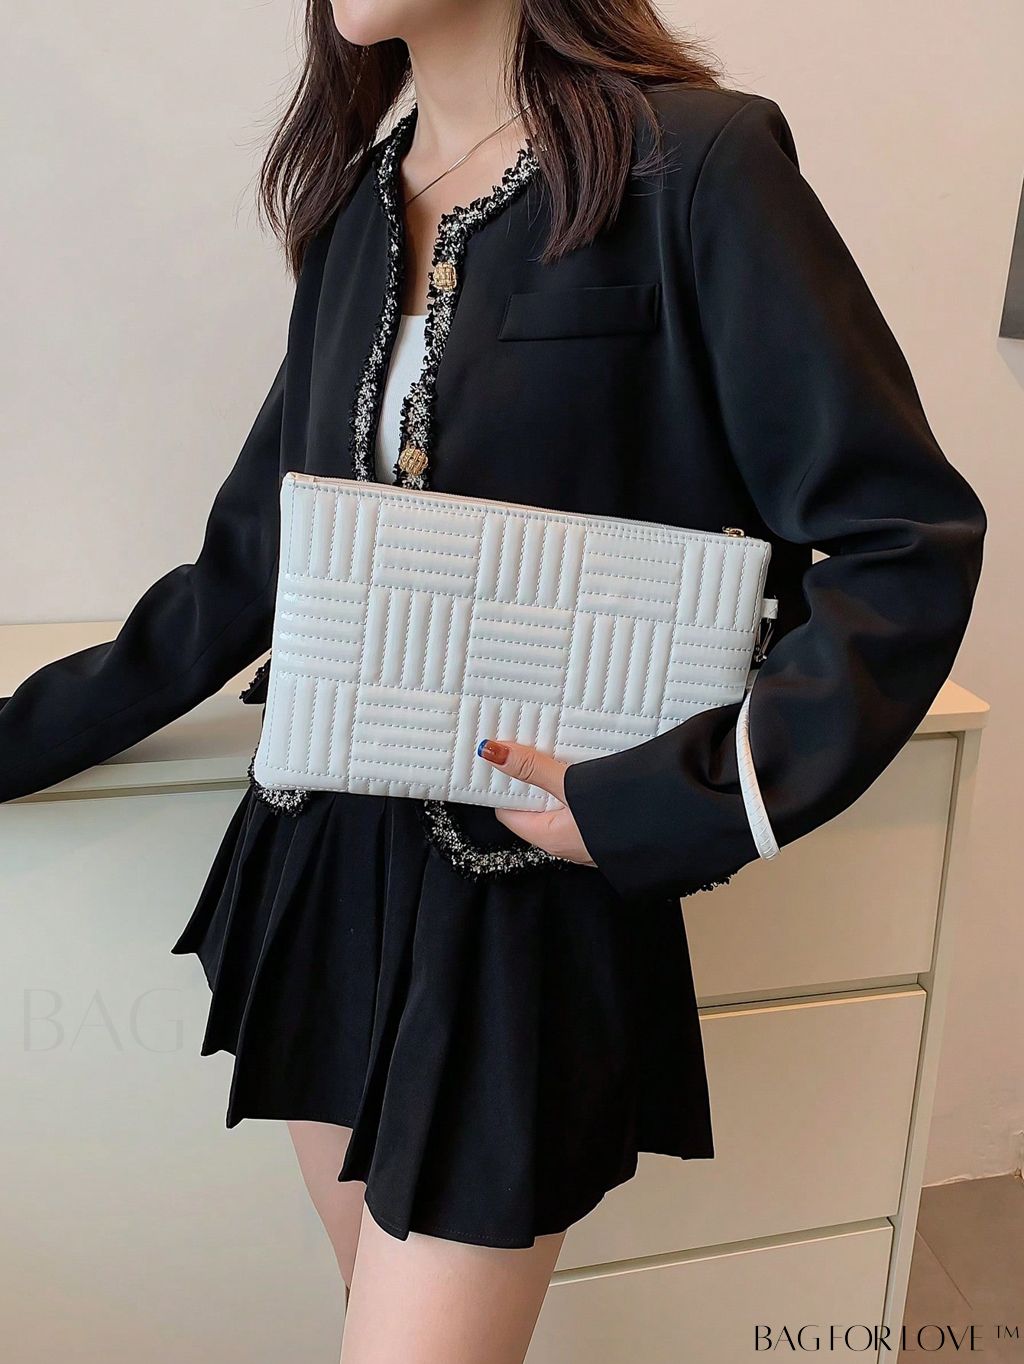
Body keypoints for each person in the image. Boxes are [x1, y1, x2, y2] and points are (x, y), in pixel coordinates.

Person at [1, 1, 987, 1360]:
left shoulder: (693, 164)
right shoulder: (355, 207)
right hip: (321, 872)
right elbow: (250, 566)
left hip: (522, 902)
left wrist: (676, 799)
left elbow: (902, 541)